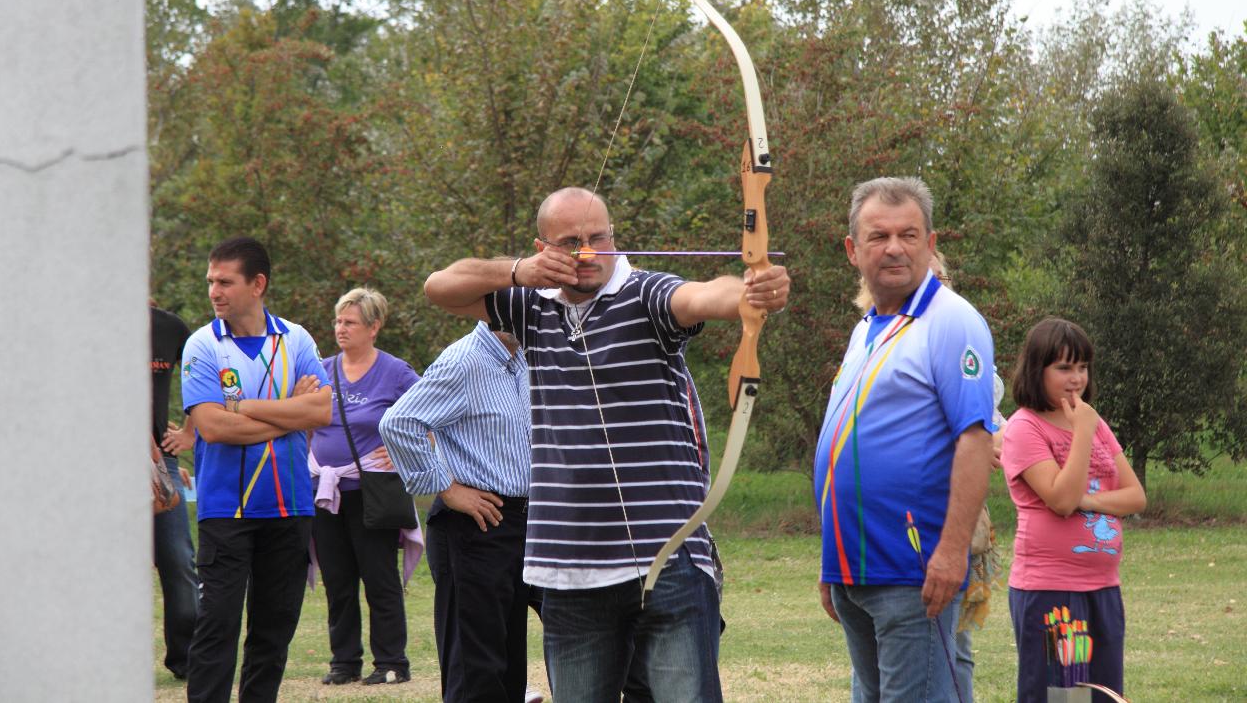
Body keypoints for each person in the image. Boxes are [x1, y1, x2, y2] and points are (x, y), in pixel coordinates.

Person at [422, 186, 791, 701]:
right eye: (572, 241)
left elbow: (702, 295)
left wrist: (750, 294)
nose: (589, 252)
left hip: (667, 561)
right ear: (543, 247)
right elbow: (439, 287)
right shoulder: (530, 306)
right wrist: (518, 271)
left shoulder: (646, 295)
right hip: (569, 574)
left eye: (599, 238)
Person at [815, 176, 995, 702]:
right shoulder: (867, 328)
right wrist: (833, 561)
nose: (895, 247)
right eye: (879, 236)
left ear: (931, 243)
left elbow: (975, 439)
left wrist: (951, 552)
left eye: (909, 235)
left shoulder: (951, 321)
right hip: (856, 568)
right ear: (853, 250)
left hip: (913, 570)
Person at [180, 236, 333, 703]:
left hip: (289, 509)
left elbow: (322, 411)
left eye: (225, 281)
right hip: (226, 510)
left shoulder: (297, 338)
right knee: (217, 627)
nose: (214, 291)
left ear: (258, 284)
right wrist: (289, 411)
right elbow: (212, 427)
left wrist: (244, 408)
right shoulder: (202, 346)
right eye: (211, 281)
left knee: (273, 632)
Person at [380, 321, 533, 702]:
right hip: (475, 525)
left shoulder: (523, 359)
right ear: (501, 306)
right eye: (529, 301)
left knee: (510, 664)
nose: (537, 311)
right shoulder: (464, 361)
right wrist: (447, 488)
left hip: (523, 522)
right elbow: (398, 423)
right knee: (476, 669)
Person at [1001, 318, 1145, 702]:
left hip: (1104, 589)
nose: (1076, 378)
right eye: (1063, 368)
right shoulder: (1025, 428)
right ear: (1037, 370)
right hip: (1051, 591)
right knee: (1063, 697)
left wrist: (1091, 501)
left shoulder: (1092, 422)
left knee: (1102, 695)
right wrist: (1082, 431)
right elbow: (1061, 499)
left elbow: (1134, 496)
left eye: (1082, 367)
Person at [307, 287, 421, 686]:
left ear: (374, 327)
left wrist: (406, 451)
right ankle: (344, 662)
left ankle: (391, 662)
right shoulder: (322, 369)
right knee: (338, 581)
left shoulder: (396, 372)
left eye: (350, 322)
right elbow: (305, 422)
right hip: (325, 491)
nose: (341, 328)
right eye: (338, 320)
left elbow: (433, 415)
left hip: (372, 492)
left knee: (379, 578)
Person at [150, 301, 199, 681]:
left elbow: (205, 376)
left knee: (179, 559)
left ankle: (189, 660)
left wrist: (189, 431)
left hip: (157, 464)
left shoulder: (169, 329)